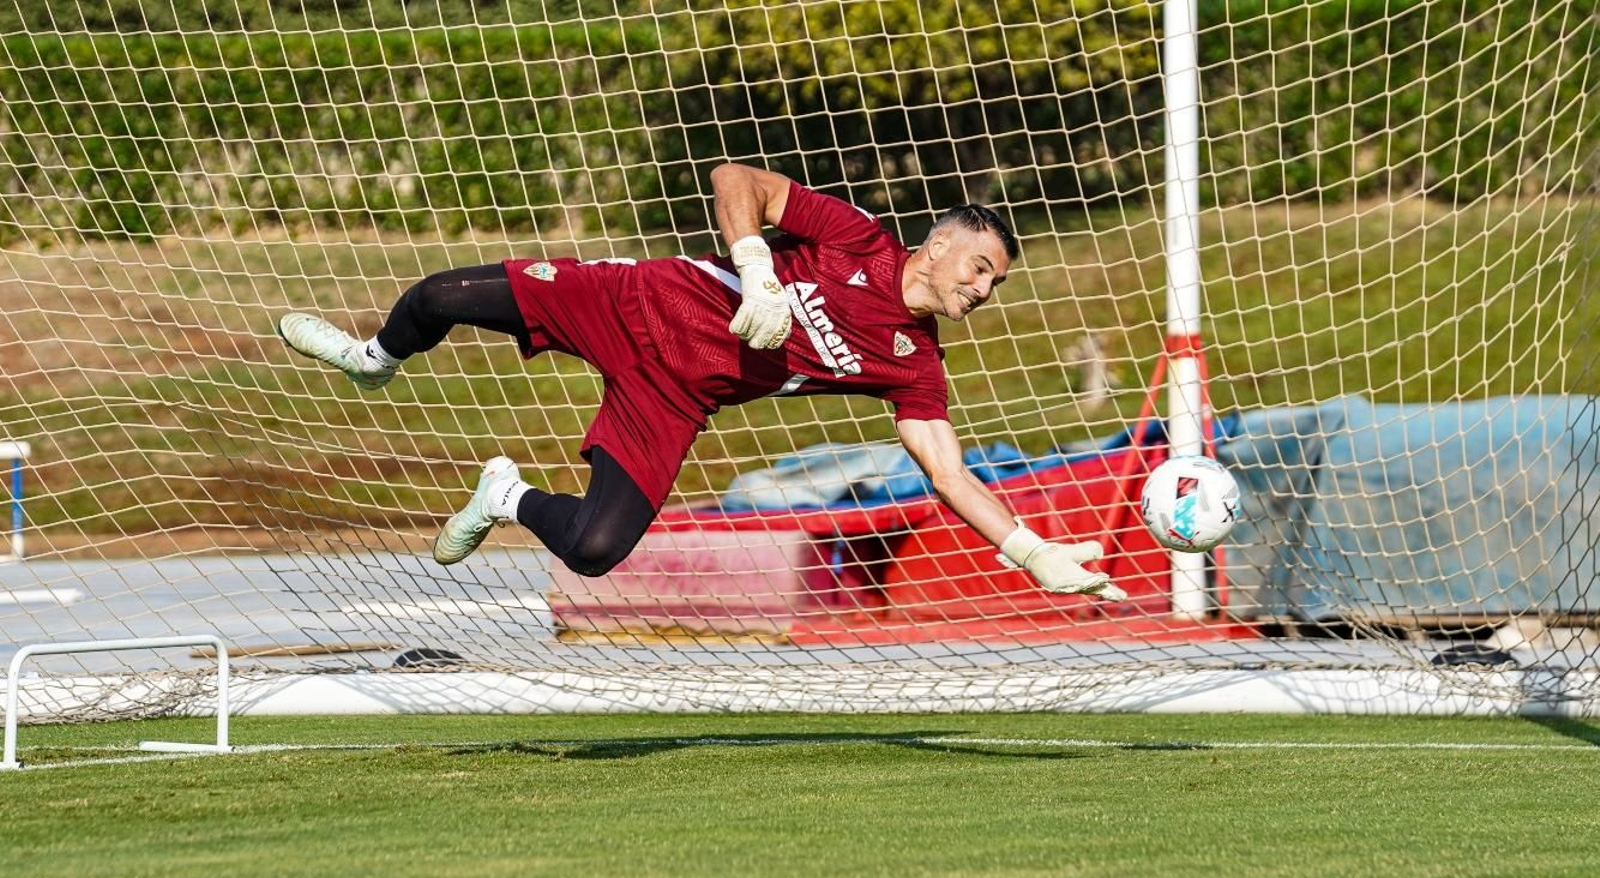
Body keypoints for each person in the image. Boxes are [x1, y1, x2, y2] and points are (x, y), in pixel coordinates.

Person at [277, 163, 1125, 600]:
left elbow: (949, 474)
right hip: (633, 302)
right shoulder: (859, 239)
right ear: (937, 246)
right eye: (979, 267)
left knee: (596, 551)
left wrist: (1031, 552)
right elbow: (734, 181)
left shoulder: (916, 364)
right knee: (439, 297)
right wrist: (757, 270)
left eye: (995, 282)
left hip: (674, 399)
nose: (983, 289)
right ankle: (373, 361)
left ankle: (503, 495)